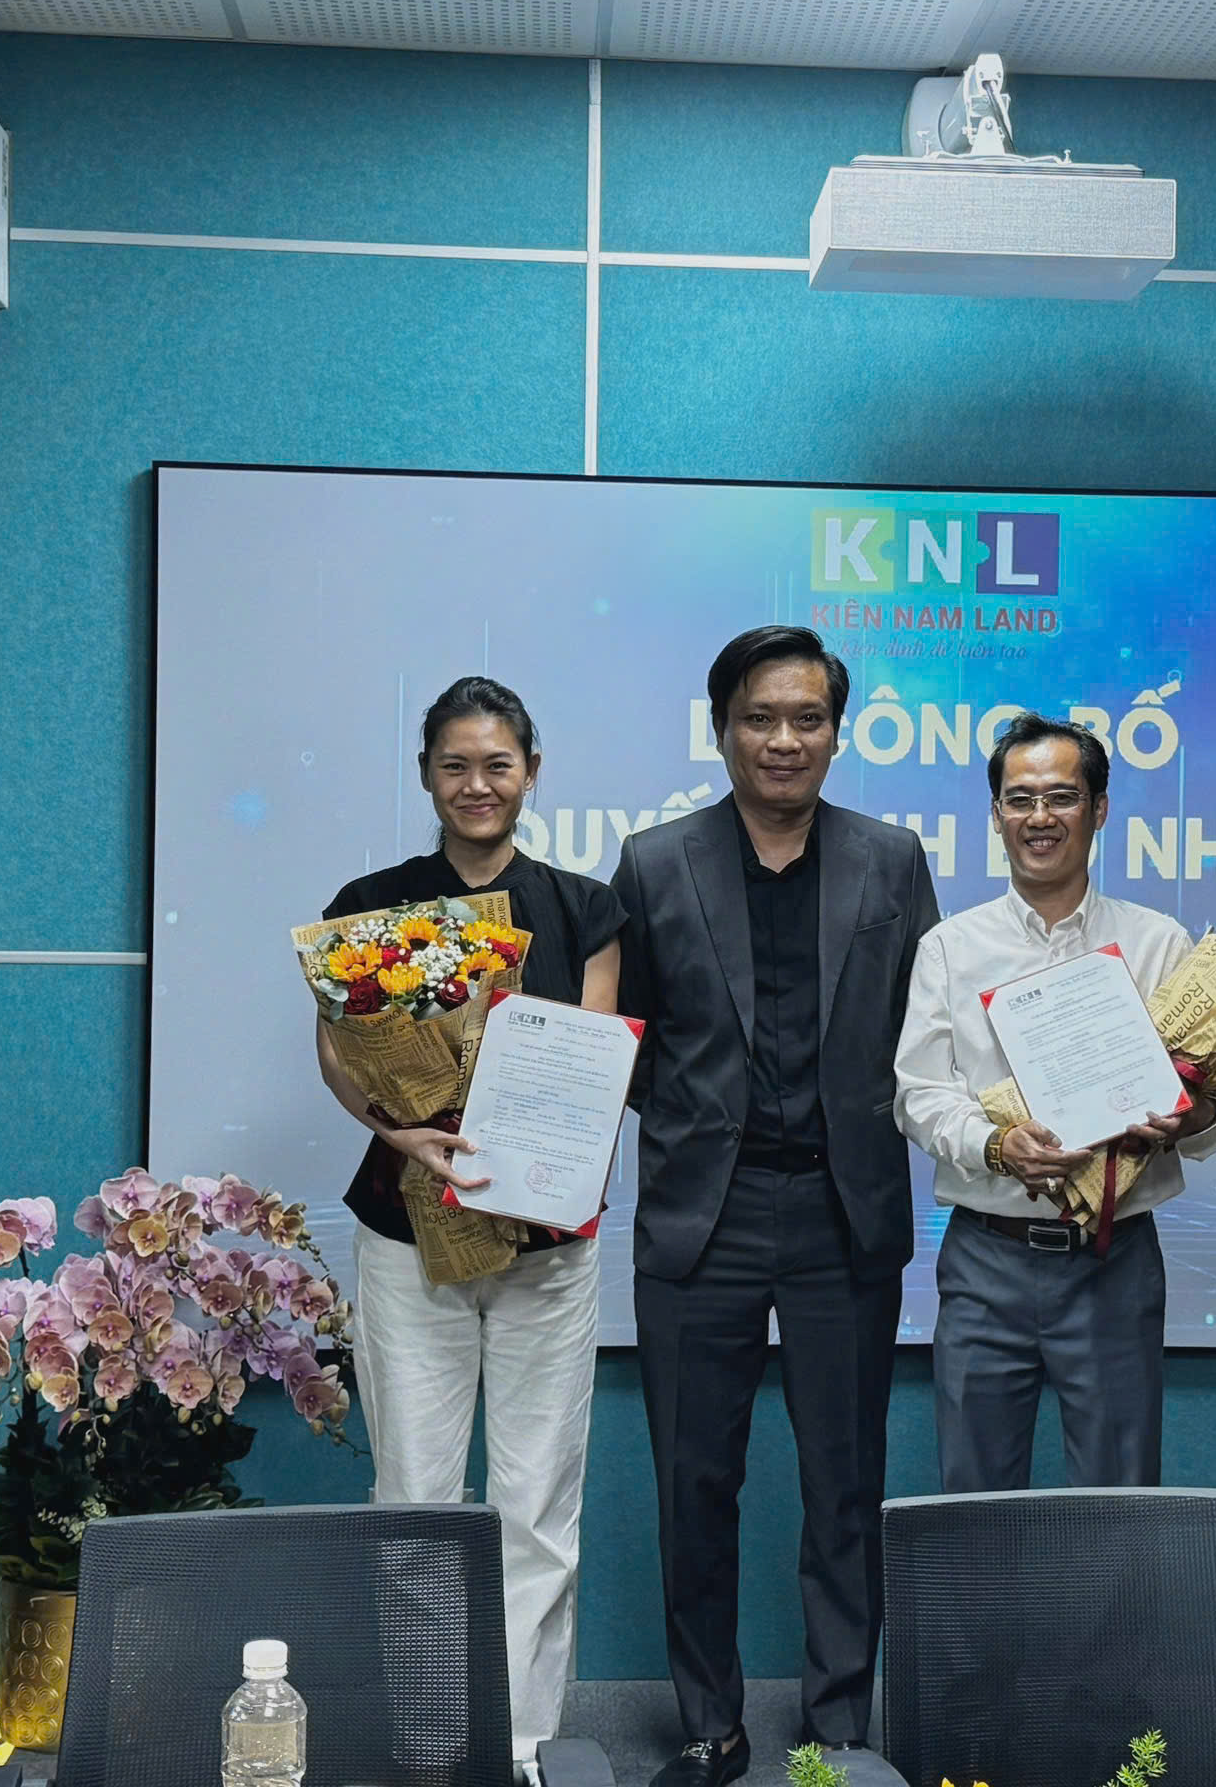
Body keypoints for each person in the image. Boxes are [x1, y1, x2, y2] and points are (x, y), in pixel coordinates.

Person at [611, 626, 940, 1787]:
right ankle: (710, 1724)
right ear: (721, 730)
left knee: (843, 1482)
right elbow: (624, 1043)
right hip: (703, 1213)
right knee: (695, 1480)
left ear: (838, 733)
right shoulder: (655, 862)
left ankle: (839, 1724)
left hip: (842, 1211)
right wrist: (699, 1127)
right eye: (760, 718)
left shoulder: (890, 860)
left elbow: (927, 1029)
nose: (784, 739)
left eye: (807, 718)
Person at [313, 674, 624, 1771]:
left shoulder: (585, 907)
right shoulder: (373, 905)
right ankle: (430, 1741)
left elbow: (588, 1063)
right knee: (414, 1496)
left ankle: (527, 1742)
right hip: (406, 1231)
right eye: (455, 765)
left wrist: (531, 1126)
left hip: (545, 1241)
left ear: (531, 773)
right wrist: (398, 1130)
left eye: (498, 765)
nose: (477, 784)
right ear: (425, 776)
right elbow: (338, 1055)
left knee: (537, 1501)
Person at [894, 712, 1216, 1492]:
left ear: (1099, 808)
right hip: (986, 1259)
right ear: (996, 815)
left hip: (1114, 1262)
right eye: (1019, 800)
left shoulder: (1158, 944)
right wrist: (994, 1145)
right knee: (974, 1501)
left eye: (1061, 797)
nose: (1038, 817)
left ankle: (1114, 1588)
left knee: (1120, 1503)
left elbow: (1214, 1109)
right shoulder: (950, 948)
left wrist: (1192, 1116)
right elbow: (919, 1093)